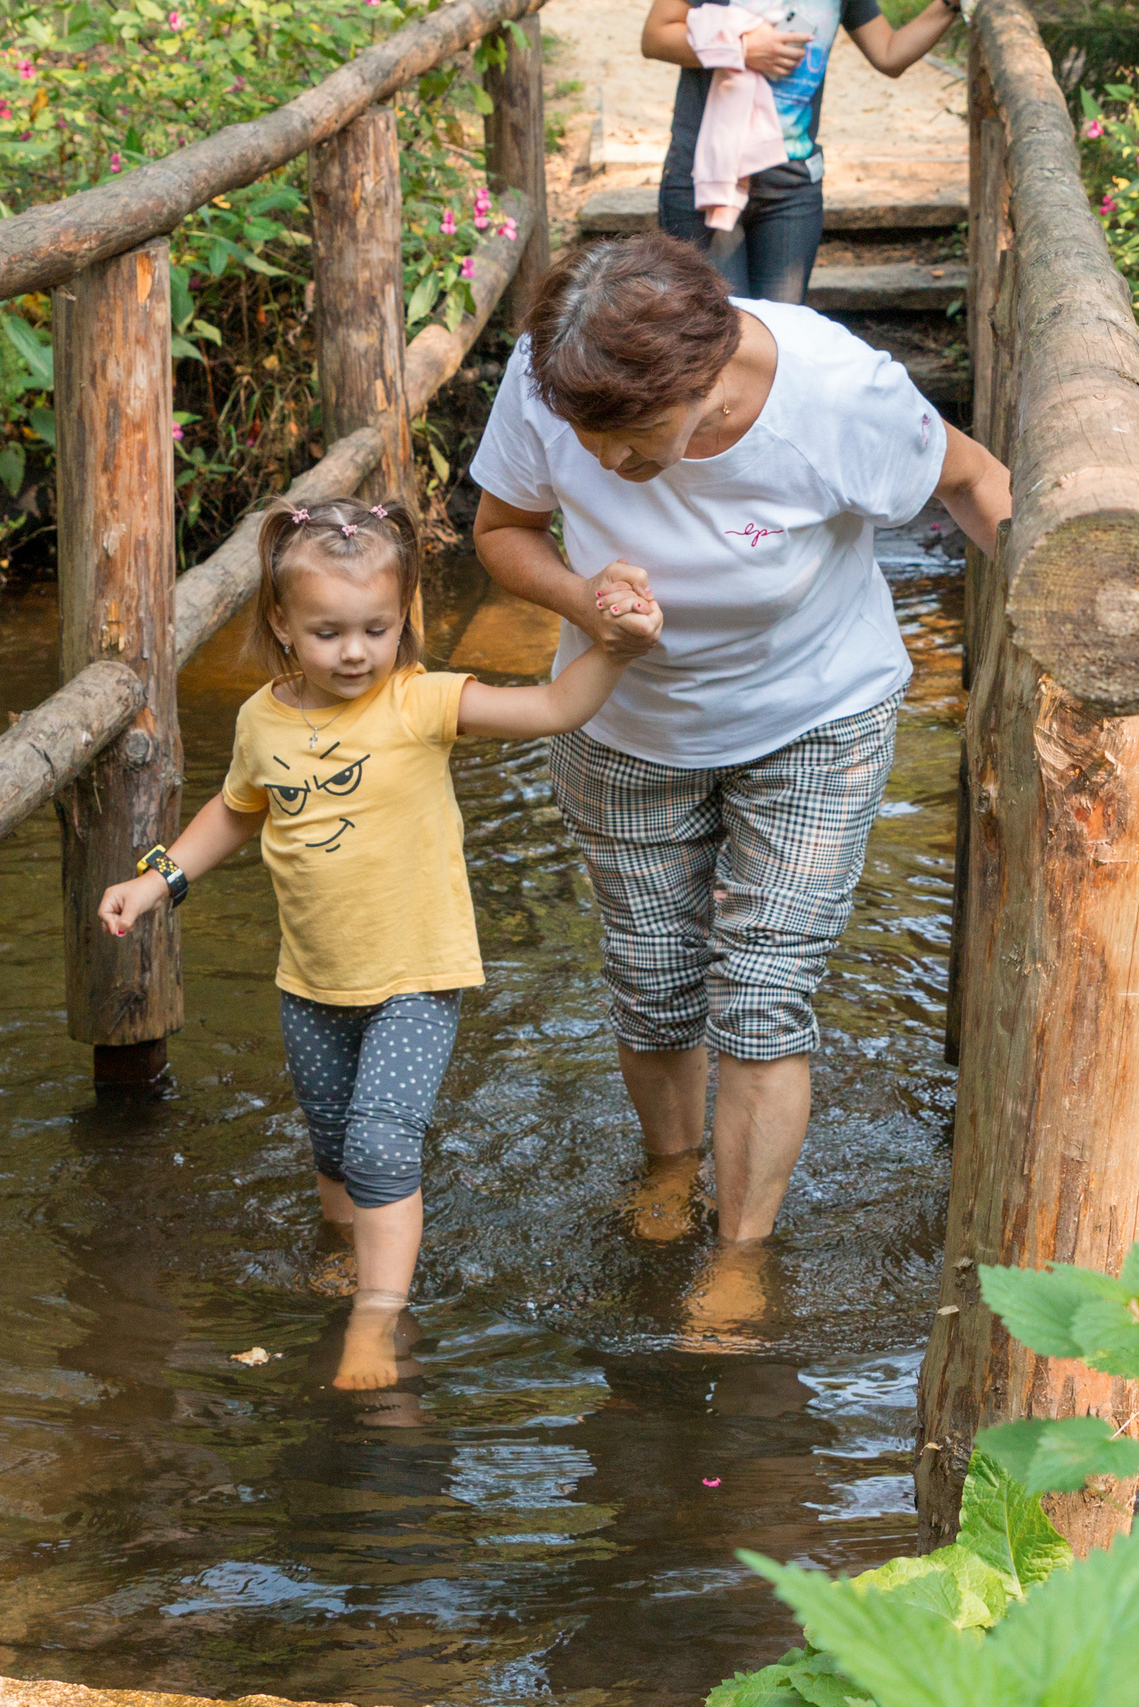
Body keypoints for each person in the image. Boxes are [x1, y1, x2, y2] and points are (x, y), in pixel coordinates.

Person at [467, 234, 1012, 1300]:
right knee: (653, 983)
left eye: (631, 444)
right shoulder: (551, 382)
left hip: (812, 713)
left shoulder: (837, 395)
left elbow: (976, 479)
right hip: (620, 716)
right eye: (589, 442)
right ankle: (670, 1173)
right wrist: (585, 601)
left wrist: (1076, 616)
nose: (608, 468)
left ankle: (739, 1255)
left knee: (762, 993)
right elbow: (503, 528)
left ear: (705, 386)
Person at [98, 497, 661, 1390]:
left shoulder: (422, 703)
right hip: (313, 979)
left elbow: (553, 706)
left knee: (380, 1146)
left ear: (403, 622)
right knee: (332, 1147)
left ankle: (377, 1316)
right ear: (281, 624)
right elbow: (235, 812)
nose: (355, 652)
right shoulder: (261, 722)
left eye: (376, 629)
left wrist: (615, 653)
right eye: (327, 632)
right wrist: (156, 879)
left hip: (416, 973)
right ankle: (343, 1253)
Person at [640, 0, 964, 301]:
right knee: (720, 339)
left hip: (793, 189)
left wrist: (950, 4)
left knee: (781, 339)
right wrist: (741, 48)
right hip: (704, 182)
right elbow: (655, 36)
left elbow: (889, 54)